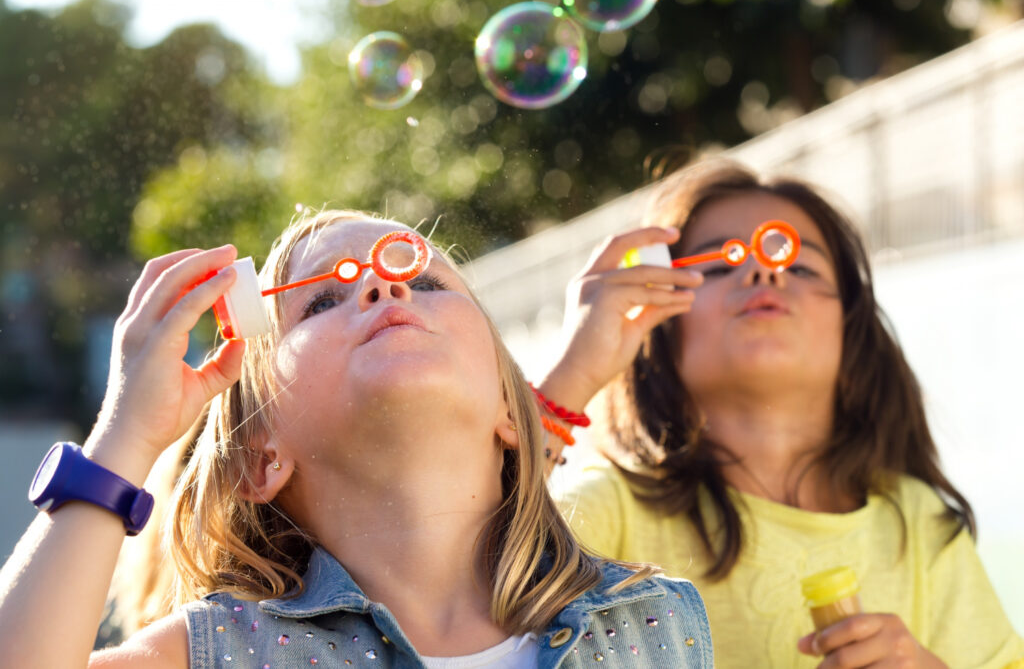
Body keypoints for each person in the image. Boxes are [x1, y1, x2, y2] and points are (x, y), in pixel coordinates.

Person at [0, 210, 714, 668]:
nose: (385, 287)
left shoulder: (654, 620)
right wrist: (127, 433)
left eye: (424, 280)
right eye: (320, 299)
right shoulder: (214, 653)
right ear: (260, 455)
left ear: (511, 409)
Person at [535, 160, 1024, 668]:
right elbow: (486, 577)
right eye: (721, 265)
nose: (764, 270)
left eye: (801, 266)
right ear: (659, 329)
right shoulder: (609, 512)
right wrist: (575, 372)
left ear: (850, 326)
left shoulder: (919, 522)